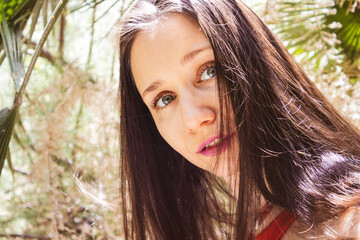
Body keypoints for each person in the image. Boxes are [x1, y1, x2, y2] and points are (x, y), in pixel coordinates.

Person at [118, 0, 360, 239]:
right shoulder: (259, 225)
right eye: (164, 99)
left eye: (209, 71)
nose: (194, 118)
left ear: (256, 63)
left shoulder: (347, 219)